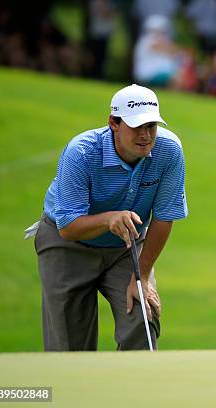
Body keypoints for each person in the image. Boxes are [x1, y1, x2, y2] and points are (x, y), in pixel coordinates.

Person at [31, 84, 188, 351]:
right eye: (136, 126)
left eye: (151, 126)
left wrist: (143, 275)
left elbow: (164, 218)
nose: (146, 135)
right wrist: (108, 219)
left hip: (127, 246)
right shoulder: (81, 152)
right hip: (67, 246)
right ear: (113, 123)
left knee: (142, 318)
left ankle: (136, 392)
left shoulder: (169, 151)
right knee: (70, 344)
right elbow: (68, 227)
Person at [134, 15, 197, 91]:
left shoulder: (163, 41)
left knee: (183, 75)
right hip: (150, 75)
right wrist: (182, 51)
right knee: (176, 78)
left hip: (161, 73)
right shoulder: (147, 41)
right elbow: (165, 48)